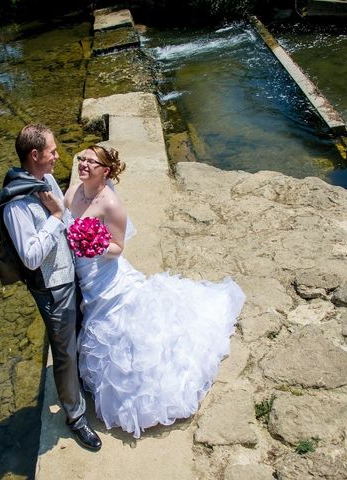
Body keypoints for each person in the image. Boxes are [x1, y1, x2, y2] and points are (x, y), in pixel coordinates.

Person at [64, 145, 246, 438]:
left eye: (90, 161)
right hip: (83, 276)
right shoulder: (72, 193)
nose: (83, 164)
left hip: (105, 279)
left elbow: (118, 247)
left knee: (121, 331)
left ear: (105, 171)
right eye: (81, 159)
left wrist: (93, 244)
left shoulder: (111, 204)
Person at [1, 124, 101, 451]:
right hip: (52, 289)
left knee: (81, 332)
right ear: (35, 155)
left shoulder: (45, 179)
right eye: (53, 151)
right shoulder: (16, 204)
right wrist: (56, 218)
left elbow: (63, 214)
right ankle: (76, 418)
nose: (59, 156)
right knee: (63, 354)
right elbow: (30, 257)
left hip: (71, 273)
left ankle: (80, 388)